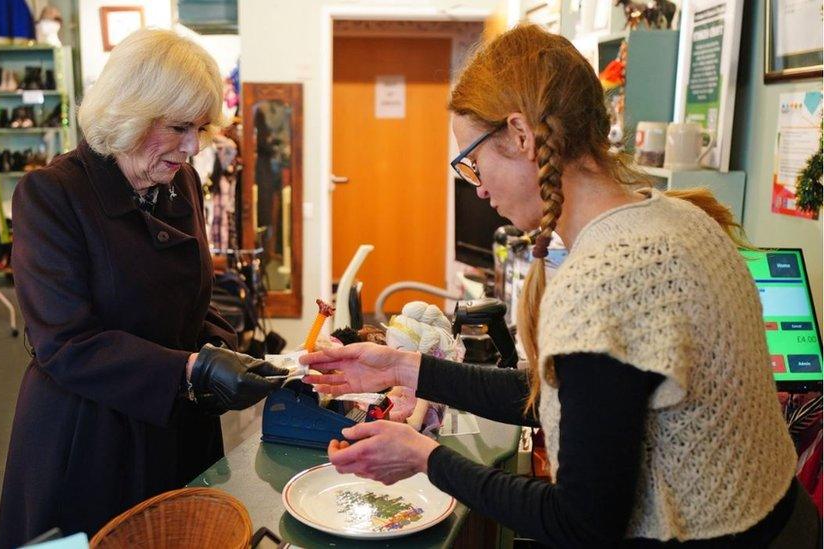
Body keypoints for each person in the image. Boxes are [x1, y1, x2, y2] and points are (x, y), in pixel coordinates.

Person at [302, 25, 820, 547]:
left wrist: (425, 457)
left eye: (474, 163)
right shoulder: (680, 220)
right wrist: (402, 367)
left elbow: (580, 524)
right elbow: (569, 401)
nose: (478, 188)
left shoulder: (603, 278)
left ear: (521, 136)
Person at [0, 29, 287, 547]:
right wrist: (191, 368)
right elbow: (64, 342)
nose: (193, 147)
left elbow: (189, 298)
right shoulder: (52, 195)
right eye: (178, 127)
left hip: (175, 422)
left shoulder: (181, 183)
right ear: (129, 111)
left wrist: (228, 350)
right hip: (90, 434)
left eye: (200, 128)